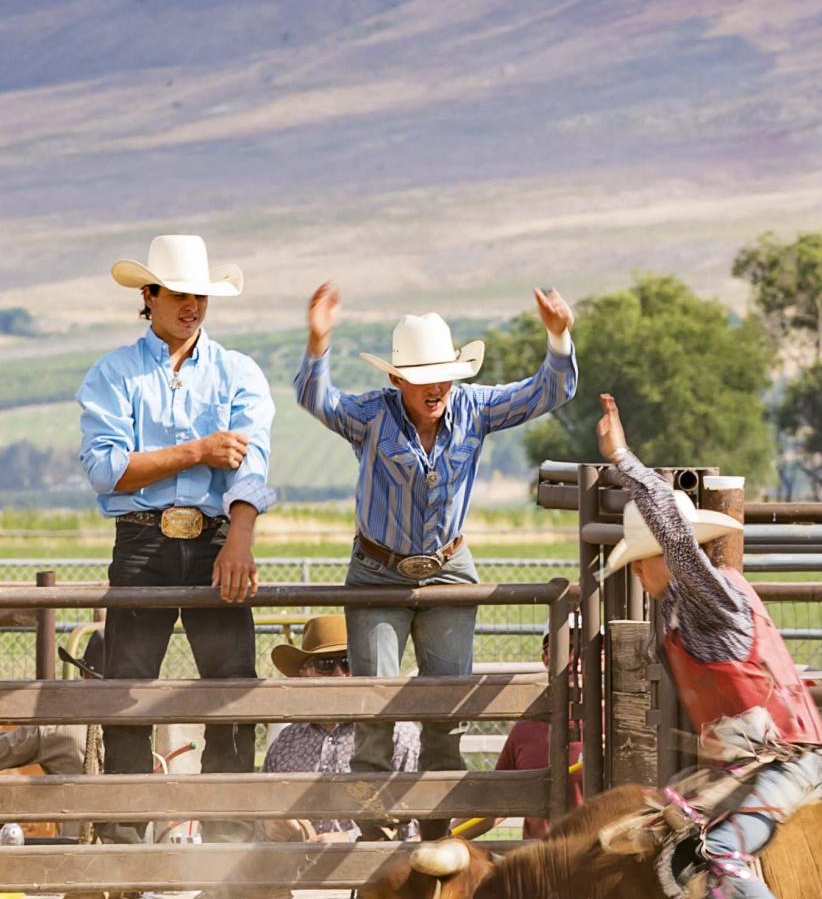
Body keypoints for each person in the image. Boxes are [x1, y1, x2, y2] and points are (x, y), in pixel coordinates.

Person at [596, 392, 822, 899]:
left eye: (643, 560)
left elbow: (676, 540)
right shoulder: (694, 608)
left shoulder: (708, 598)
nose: (644, 573)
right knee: (661, 831)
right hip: (753, 764)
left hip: (782, 764)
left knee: (718, 854)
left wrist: (623, 459)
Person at [294, 282, 577, 837]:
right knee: (376, 700)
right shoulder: (371, 415)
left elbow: (550, 390)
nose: (436, 387)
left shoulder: (474, 407)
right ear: (397, 380)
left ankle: (437, 822)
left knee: (446, 707)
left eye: (444, 375)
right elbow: (318, 400)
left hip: (447, 567)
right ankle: (374, 823)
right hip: (377, 569)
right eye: (423, 377)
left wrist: (559, 336)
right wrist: (317, 342)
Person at [78, 234, 277, 844]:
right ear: (150, 295)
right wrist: (197, 451)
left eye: (202, 297)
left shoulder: (238, 371)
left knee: (232, 688)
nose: (193, 306)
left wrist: (239, 536)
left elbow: (252, 460)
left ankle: (230, 841)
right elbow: (105, 468)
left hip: (218, 539)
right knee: (127, 694)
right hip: (142, 543)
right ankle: (121, 843)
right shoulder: (112, 373)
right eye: (182, 295)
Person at [263, 613, 420, 838]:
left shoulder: (399, 735)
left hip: (375, 868)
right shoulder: (285, 742)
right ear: (304, 674)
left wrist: (350, 839)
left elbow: (416, 830)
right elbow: (266, 815)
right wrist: (272, 825)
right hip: (297, 867)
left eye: (348, 662)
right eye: (325, 664)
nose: (339, 674)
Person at [494, 633, 585, 838]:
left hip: (591, 860)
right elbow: (499, 805)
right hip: (538, 861)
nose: (574, 658)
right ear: (546, 659)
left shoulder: (618, 726)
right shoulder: (525, 729)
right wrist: (442, 838)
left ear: (602, 657)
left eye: (584, 649)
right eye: (565, 649)